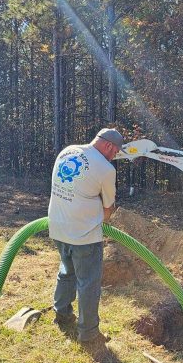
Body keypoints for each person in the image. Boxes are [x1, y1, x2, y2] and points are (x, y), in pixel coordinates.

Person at [48, 127, 124, 348]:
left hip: (58, 227)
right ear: (109, 146)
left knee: (67, 270)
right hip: (84, 235)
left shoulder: (68, 151)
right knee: (88, 284)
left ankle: (62, 313)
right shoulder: (105, 169)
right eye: (115, 152)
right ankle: (89, 334)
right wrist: (104, 218)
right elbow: (108, 209)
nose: (114, 157)